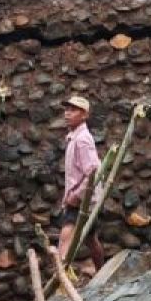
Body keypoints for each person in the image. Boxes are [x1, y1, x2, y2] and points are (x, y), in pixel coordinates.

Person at [57, 95, 106, 274]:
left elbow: (93, 171)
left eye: (73, 110)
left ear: (84, 114)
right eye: (66, 109)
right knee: (91, 239)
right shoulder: (74, 137)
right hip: (84, 198)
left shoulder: (83, 139)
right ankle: (101, 272)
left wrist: (76, 196)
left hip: (82, 200)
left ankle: (61, 280)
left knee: (65, 240)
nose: (67, 113)